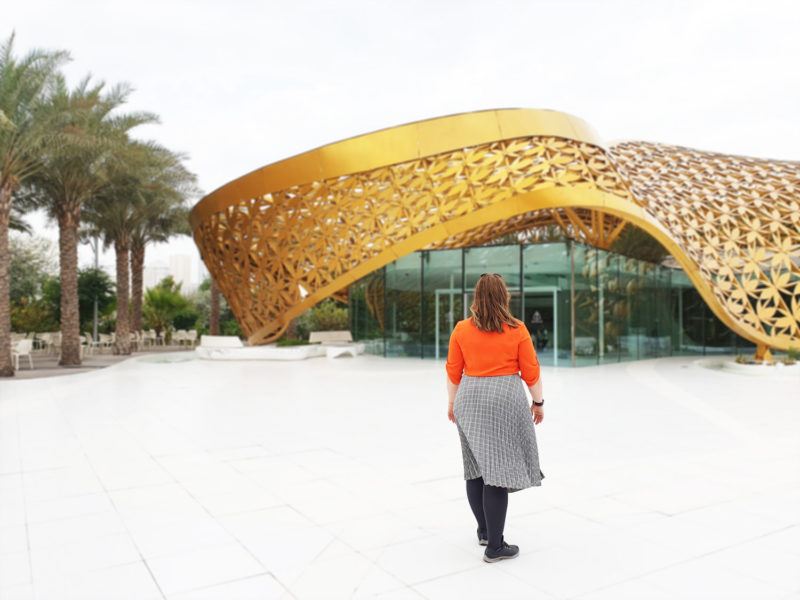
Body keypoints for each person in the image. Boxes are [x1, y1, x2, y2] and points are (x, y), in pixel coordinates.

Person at [446, 273, 545, 563]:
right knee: (497, 473)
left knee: (475, 467)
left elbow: (454, 371)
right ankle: (495, 547)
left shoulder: (462, 329)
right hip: (503, 398)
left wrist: (452, 403)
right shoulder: (517, 329)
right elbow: (531, 371)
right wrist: (538, 402)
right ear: (504, 297)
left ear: (476, 297)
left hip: (469, 398)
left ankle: (485, 531)